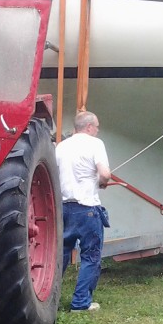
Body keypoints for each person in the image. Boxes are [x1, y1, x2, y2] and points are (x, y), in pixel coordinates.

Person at [56, 110, 111, 311]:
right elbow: (105, 174)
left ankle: (50, 300)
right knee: (90, 257)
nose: (97, 130)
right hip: (87, 208)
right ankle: (80, 303)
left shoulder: (61, 146)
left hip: (63, 209)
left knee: (60, 255)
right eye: (96, 127)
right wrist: (102, 182)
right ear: (89, 127)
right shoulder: (95, 144)